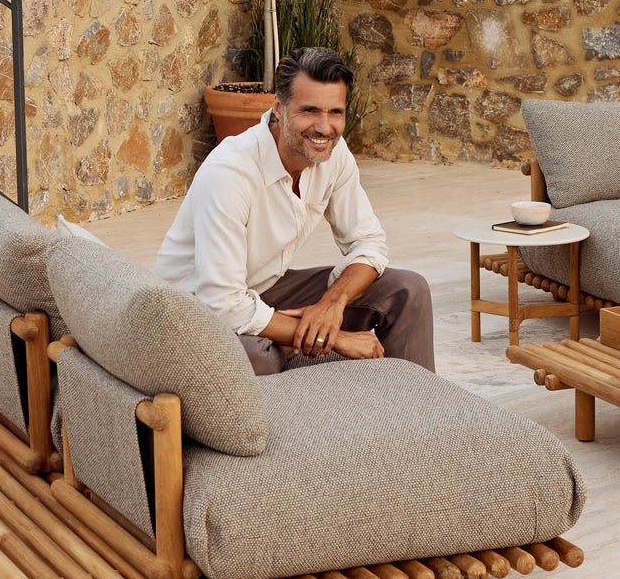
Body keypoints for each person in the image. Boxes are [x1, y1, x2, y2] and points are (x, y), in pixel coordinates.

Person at [156, 46, 436, 372]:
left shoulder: (334, 153)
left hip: (263, 289)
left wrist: (331, 304)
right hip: (193, 312)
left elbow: (368, 243)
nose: (324, 127)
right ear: (279, 108)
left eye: (335, 112)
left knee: (408, 290)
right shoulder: (229, 173)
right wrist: (336, 337)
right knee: (258, 356)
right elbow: (222, 304)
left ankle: (414, 404)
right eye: (310, 111)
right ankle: (291, 348)